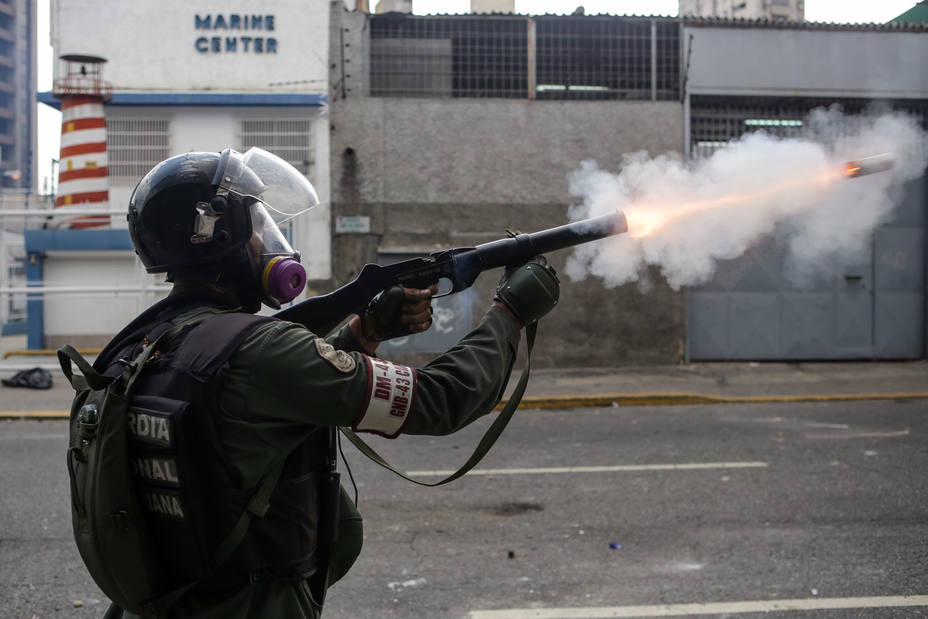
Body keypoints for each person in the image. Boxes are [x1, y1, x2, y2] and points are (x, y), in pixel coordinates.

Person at [94, 147, 559, 618]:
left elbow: (256, 400)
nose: (268, 242)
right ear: (221, 235)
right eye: (256, 227)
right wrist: (510, 313)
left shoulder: (143, 344)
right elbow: (443, 399)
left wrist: (364, 332)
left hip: (163, 599)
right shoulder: (259, 351)